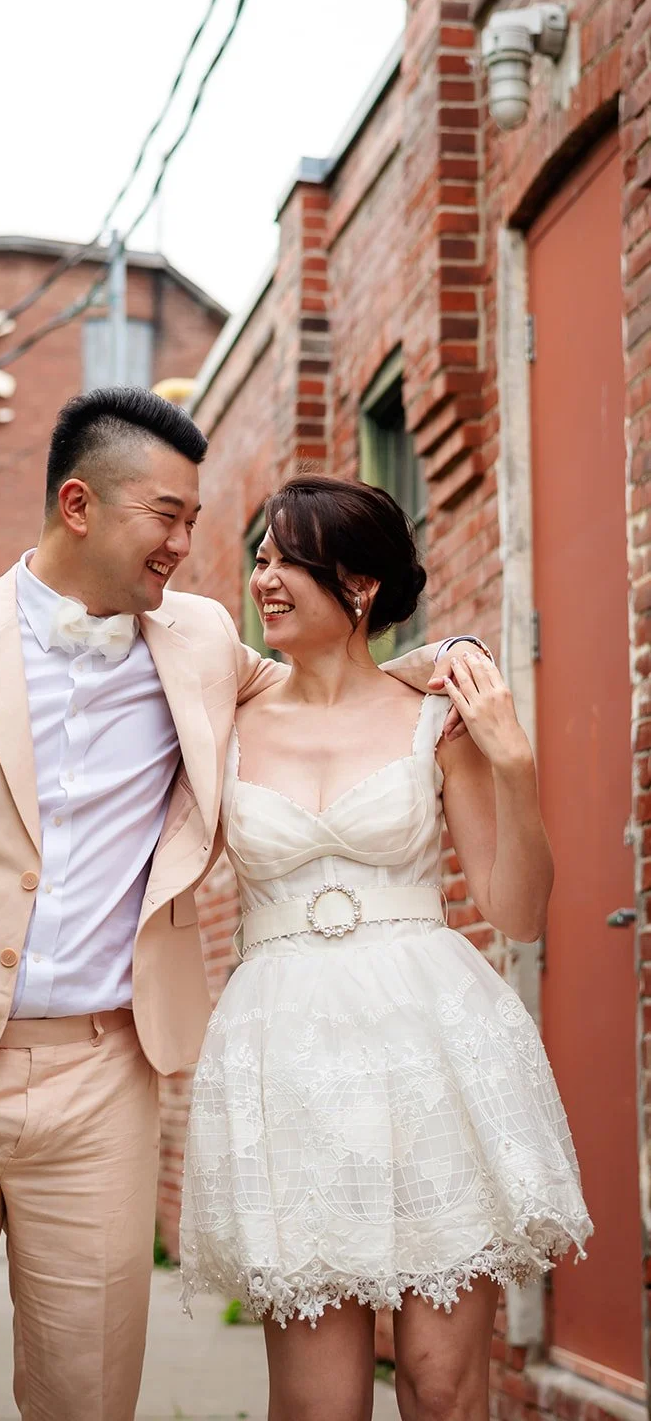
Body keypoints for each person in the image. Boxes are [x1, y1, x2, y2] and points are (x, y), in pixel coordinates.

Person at [0, 390, 476, 1421]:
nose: (187, 545)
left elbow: (322, 679)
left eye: (195, 520)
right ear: (80, 503)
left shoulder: (199, 640)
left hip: (103, 1077)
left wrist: (436, 665)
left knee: (87, 1397)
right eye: (168, 515)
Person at [180, 473, 591, 1421]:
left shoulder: (433, 719)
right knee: (320, 1406)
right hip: (289, 1058)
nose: (262, 577)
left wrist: (515, 765)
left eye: (288, 559)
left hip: (429, 1052)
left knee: (442, 1388)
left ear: (358, 586)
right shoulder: (226, 721)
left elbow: (517, 911)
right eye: (262, 558)